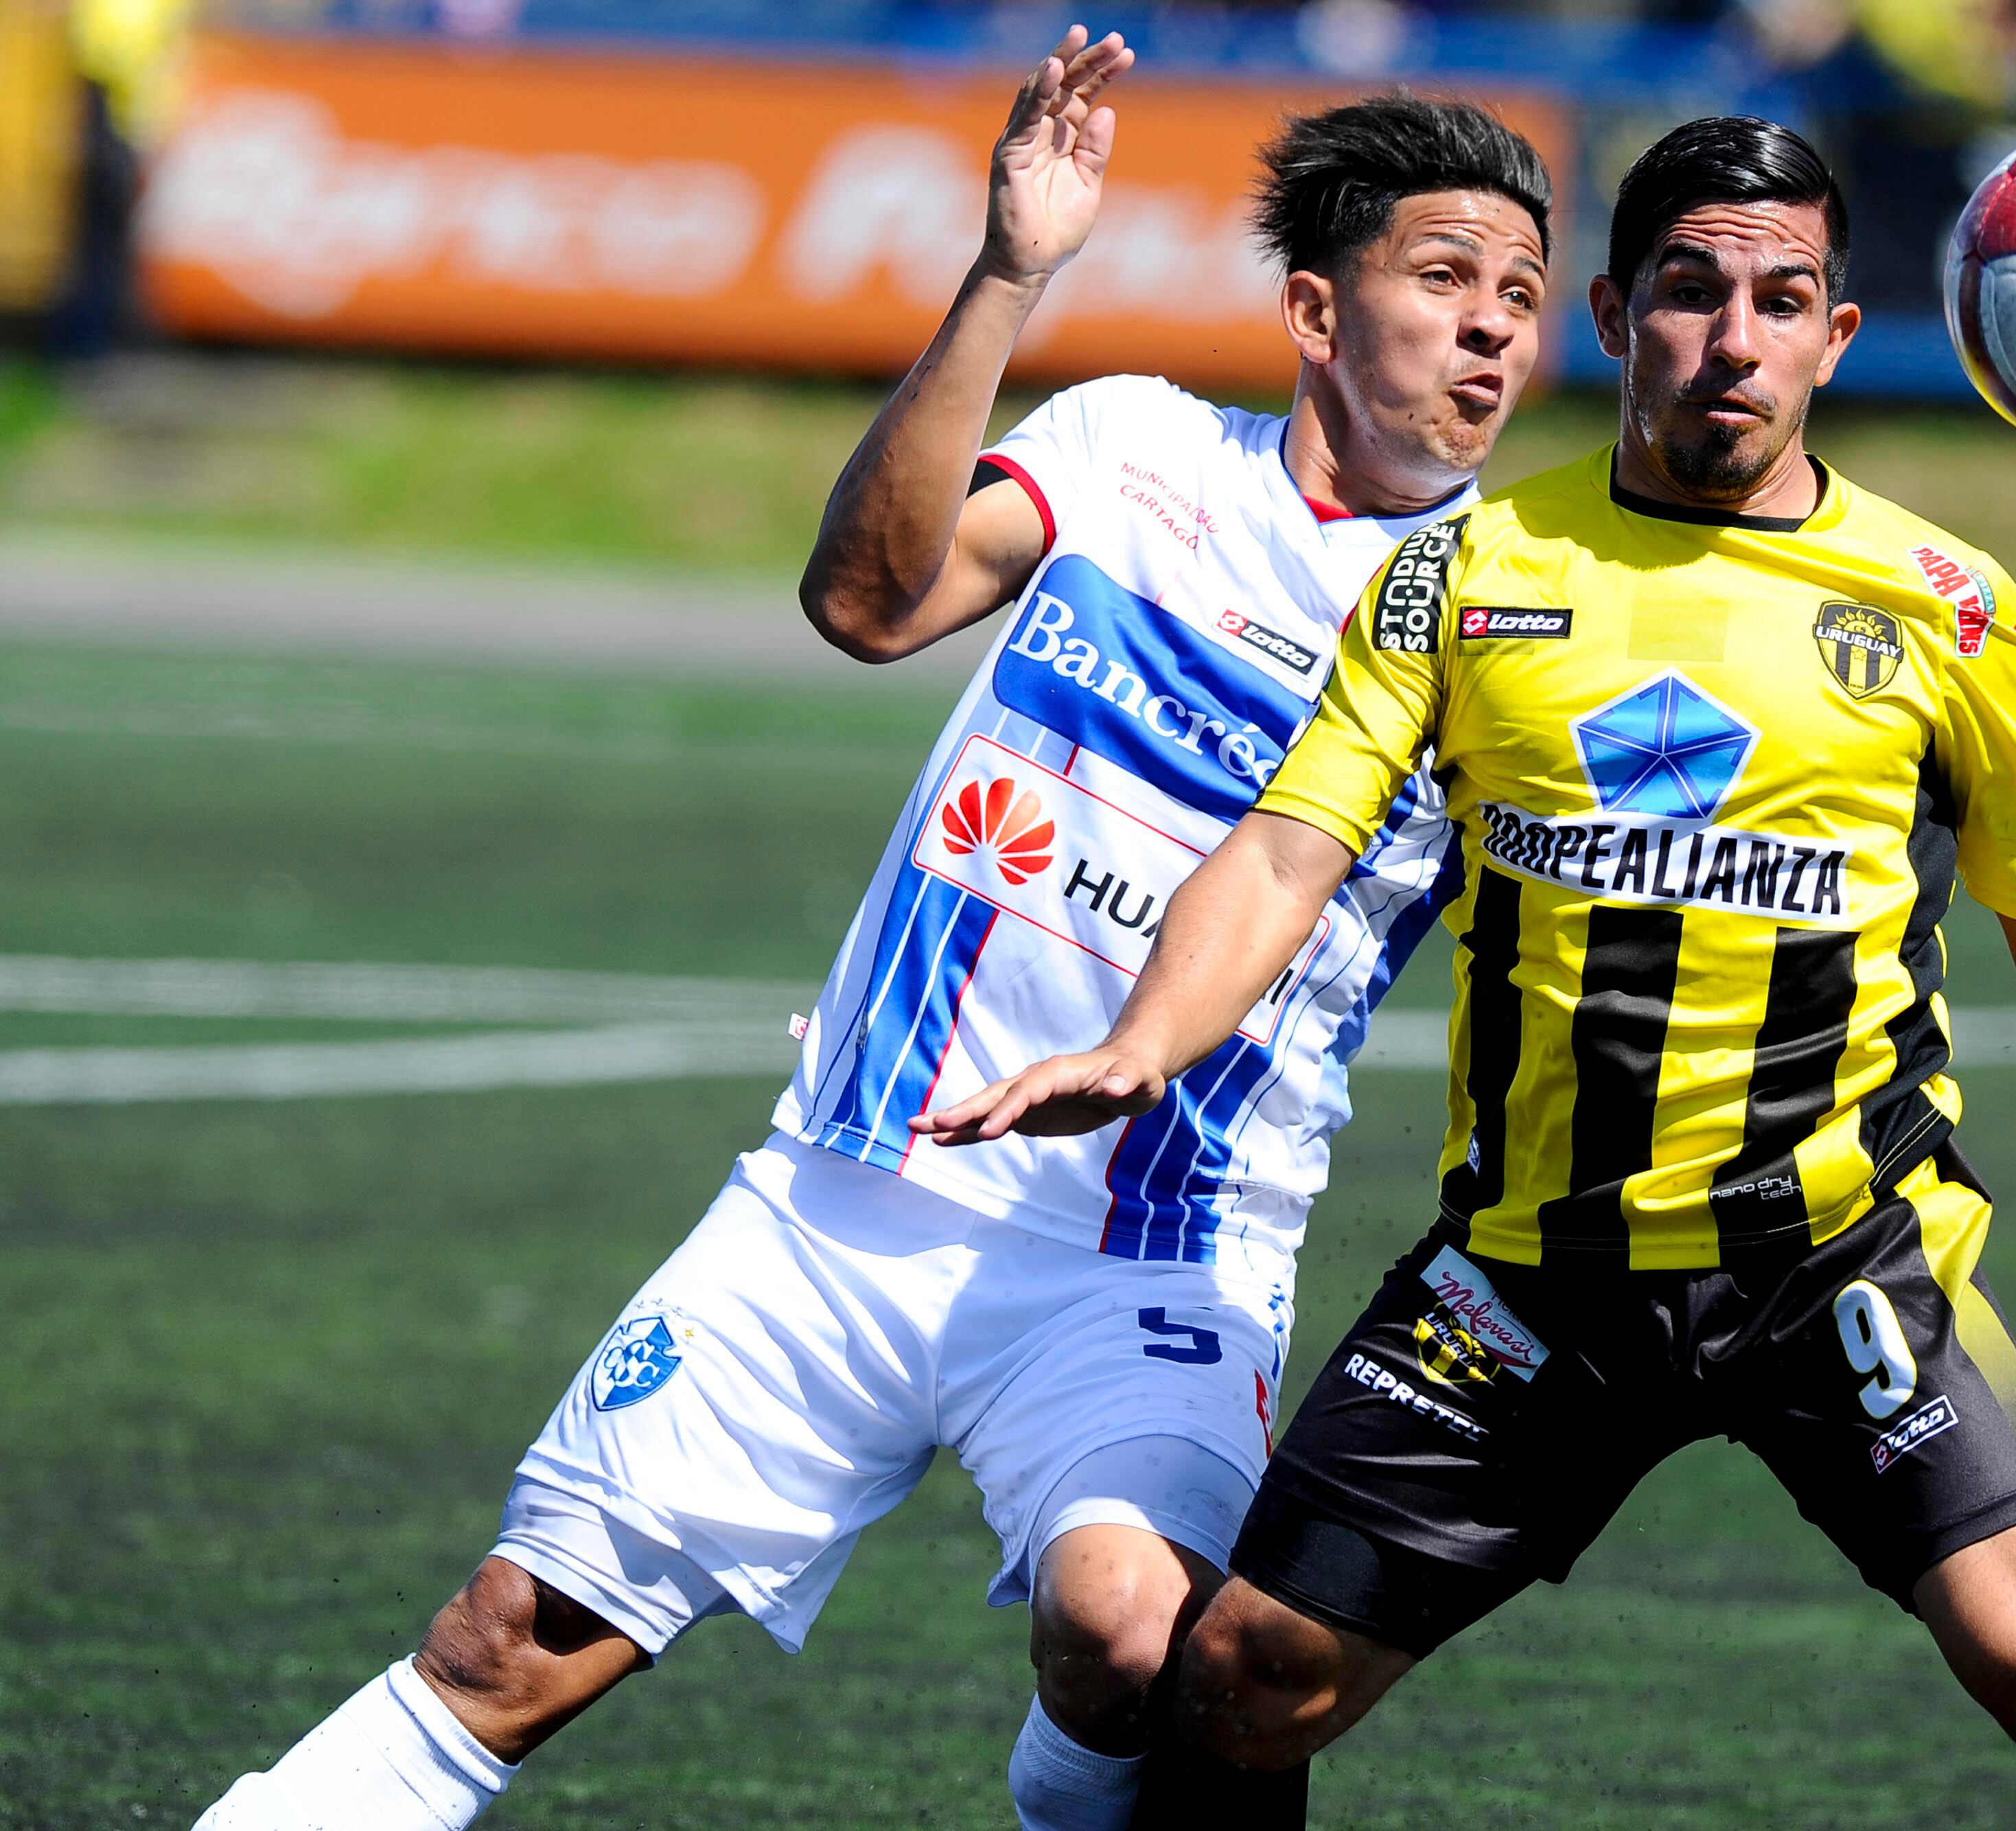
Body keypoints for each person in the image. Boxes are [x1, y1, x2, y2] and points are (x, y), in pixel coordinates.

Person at [192, 27, 1553, 1830]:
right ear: (1314, 309)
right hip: (843, 1197)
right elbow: (866, 599)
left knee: (1134, 1637)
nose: (1490, 329)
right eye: (1444, 277)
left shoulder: (1511, 624)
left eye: (1520, 297)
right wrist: (1009, 274)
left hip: (1150, 1254)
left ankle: (1069, 1786)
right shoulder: (1131, 447)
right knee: (504, 1643)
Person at [916, 114, 2016, 1828]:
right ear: (1610, 313)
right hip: (1531, 1276)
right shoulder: (1465, 573)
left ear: (1834, 335)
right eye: (1687, 292)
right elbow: (1289, 847)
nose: (1733, 341)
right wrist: (1145, 1040)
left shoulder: (1946, 607)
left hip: (1838, 1263)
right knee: (1239, 1674)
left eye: (1778, 301)